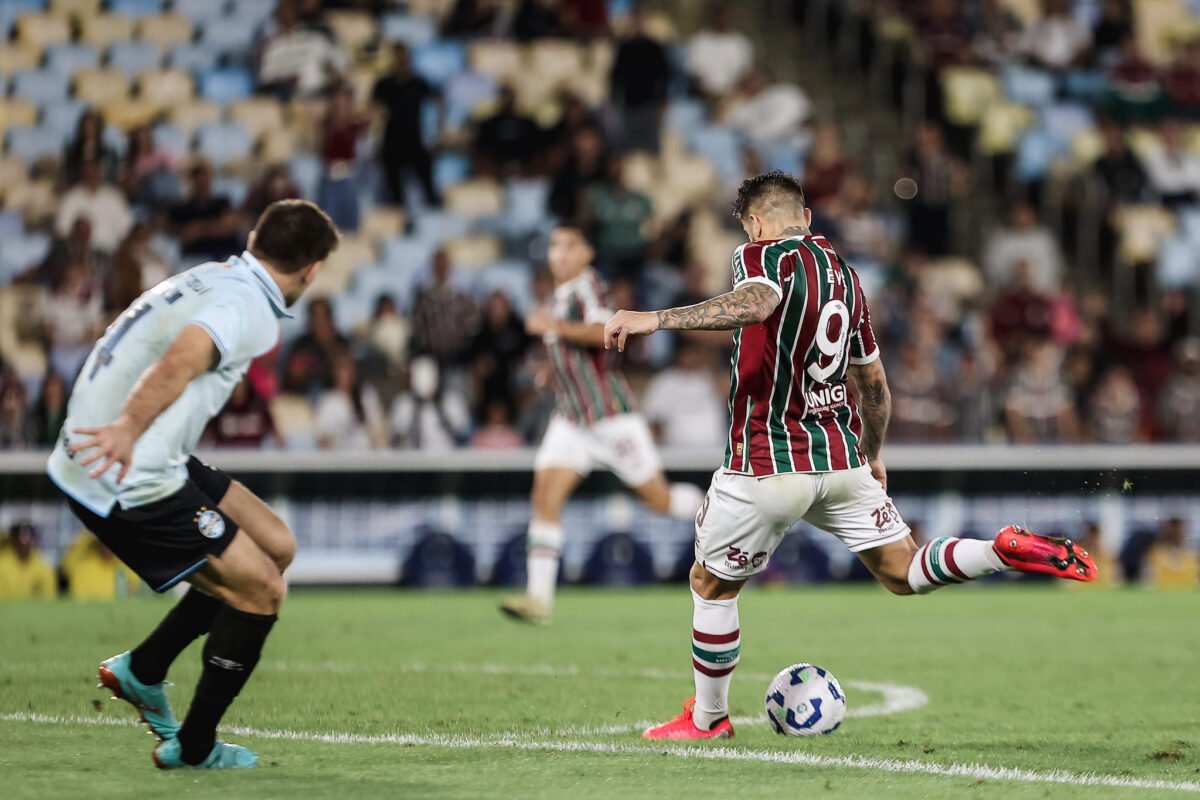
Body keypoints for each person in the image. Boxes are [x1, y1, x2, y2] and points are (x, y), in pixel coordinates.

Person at [601, 172, 1097, 740]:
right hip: (841, 460)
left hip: (767, 462)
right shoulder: (847, 278)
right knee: (904, 570)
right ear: (808, 217)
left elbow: (758, 301)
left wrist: (656, 318)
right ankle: (999, 550)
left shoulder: (760, 254)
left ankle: (710, 720)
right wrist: (873, 454)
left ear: (756, 223)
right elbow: (876, 387)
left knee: (711, 585)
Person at [45, 200, 339, 769]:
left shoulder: (218, 274)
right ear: (313, 271)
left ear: (256, 239)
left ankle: (144, 669)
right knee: (261, 591)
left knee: (276, 547)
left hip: (129, 450)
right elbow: (185, 354)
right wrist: (128, 428)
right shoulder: (249, 305)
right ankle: (196, 747)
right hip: (126, 472)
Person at [498, 225, 704, 625]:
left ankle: (726, 520)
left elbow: (604, 332)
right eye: (555, 245)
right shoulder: (559, 296)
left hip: (609, 416)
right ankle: (538, 599)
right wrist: (551, 374)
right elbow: (576, 357)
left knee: (659, 500)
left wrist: (553, 328)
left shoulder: (586, 286)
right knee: (544, 495)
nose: (559, 253)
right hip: (572, 418)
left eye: (569, 244)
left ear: (586, 254)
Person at [372, 43, 441, 211]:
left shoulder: (419, 83)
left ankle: (435, 217)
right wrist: (374, 139)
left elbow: (437, 105)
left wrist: (435, 134)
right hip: (392, 140)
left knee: (428, 184)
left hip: (416, 139)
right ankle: (398, 218)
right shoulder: (384, 84)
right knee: (393, 188)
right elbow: (375, 113)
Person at [55, 159, 132, 254]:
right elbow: (62, 231)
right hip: (80, 255)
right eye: (87, 171)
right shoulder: (71, 198)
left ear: (100, 172)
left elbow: (125, 230)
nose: (91, 175)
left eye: (94, 170)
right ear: (82, 172)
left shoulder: (114, 197)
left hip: (111, 254)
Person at [0, 522, 56, 599]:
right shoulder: (2, 564)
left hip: (36, 611)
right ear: (14, 540)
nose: (25, 545)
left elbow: (48, 600)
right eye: (20, 540)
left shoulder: (44, 566)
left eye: (29, 540)